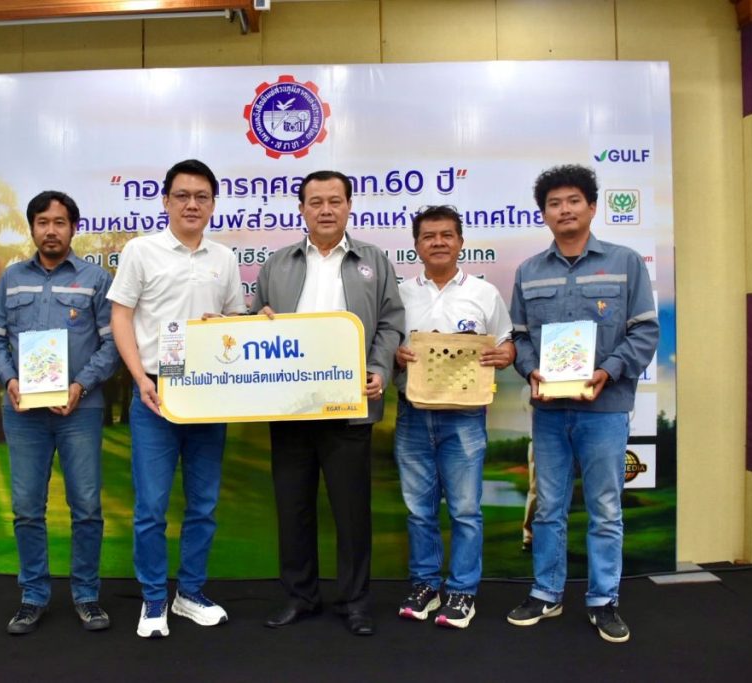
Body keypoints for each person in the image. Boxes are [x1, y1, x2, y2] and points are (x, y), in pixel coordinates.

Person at [506, 164, 658, 643]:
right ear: (544, 214)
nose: (564, 210)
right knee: (548, 506)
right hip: (550, 412)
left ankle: (603, 600)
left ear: (592, 207)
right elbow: (519, 338)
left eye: (573, 201)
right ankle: (546, 593)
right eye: (554, 203)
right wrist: (530, 369)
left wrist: (607, 370)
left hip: (604, 410)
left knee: (605, 508)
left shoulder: (625, 262)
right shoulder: (529, 271)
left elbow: (645, 331)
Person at [251, 170, 404, 636]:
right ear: (301, 209)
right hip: (291, 408)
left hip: (349, 408)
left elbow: (391, 323)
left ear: (349, 206)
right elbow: (253, 321)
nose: (325, 210)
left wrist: (378, 369)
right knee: (293, 508)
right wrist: (258, 319)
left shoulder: (373, 261)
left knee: (351, 512)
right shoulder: (277, 264)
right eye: (315, 202)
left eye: (334, 201)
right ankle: (300, 596)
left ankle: (354, 602)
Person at [107, 159, 245, 639]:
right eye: (182, 195)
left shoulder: (224, 258)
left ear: (213, 204)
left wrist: (237, 325)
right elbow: (120, 316)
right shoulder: (141, 251)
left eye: (201, 196)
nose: (192, 204)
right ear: (165, 201)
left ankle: (190, 594)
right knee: (151, 507)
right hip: (155, 393)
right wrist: (138, 379)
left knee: (203, 504)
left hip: (208, 395)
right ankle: (153, 599)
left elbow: (234, 322)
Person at [0, 190, 120, 635]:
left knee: (86, 508)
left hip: (80, 410)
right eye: (42, 222)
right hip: (24, 414)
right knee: (26, 509)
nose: (51, 231)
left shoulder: (95, 279)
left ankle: (87, 596)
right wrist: (9, 380)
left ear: (73, 228)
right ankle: (32, 597)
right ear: (32, 228)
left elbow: (112, 344)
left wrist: (81, 386)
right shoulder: (12, 279)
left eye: (60, 222)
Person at [392, 205, 515, 629]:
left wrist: (506, 353)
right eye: (429, 236)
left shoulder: (484, 293)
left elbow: (506, 341)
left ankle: (462, 591)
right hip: (412, 413)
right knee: (418, 510)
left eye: (447, 235)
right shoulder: (401, 294)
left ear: (461, 242)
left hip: (465, 417)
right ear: (416, 246)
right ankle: (425, 585)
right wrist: (395, 355)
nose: (438, 242)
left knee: (464, 510)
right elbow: (385, 344)